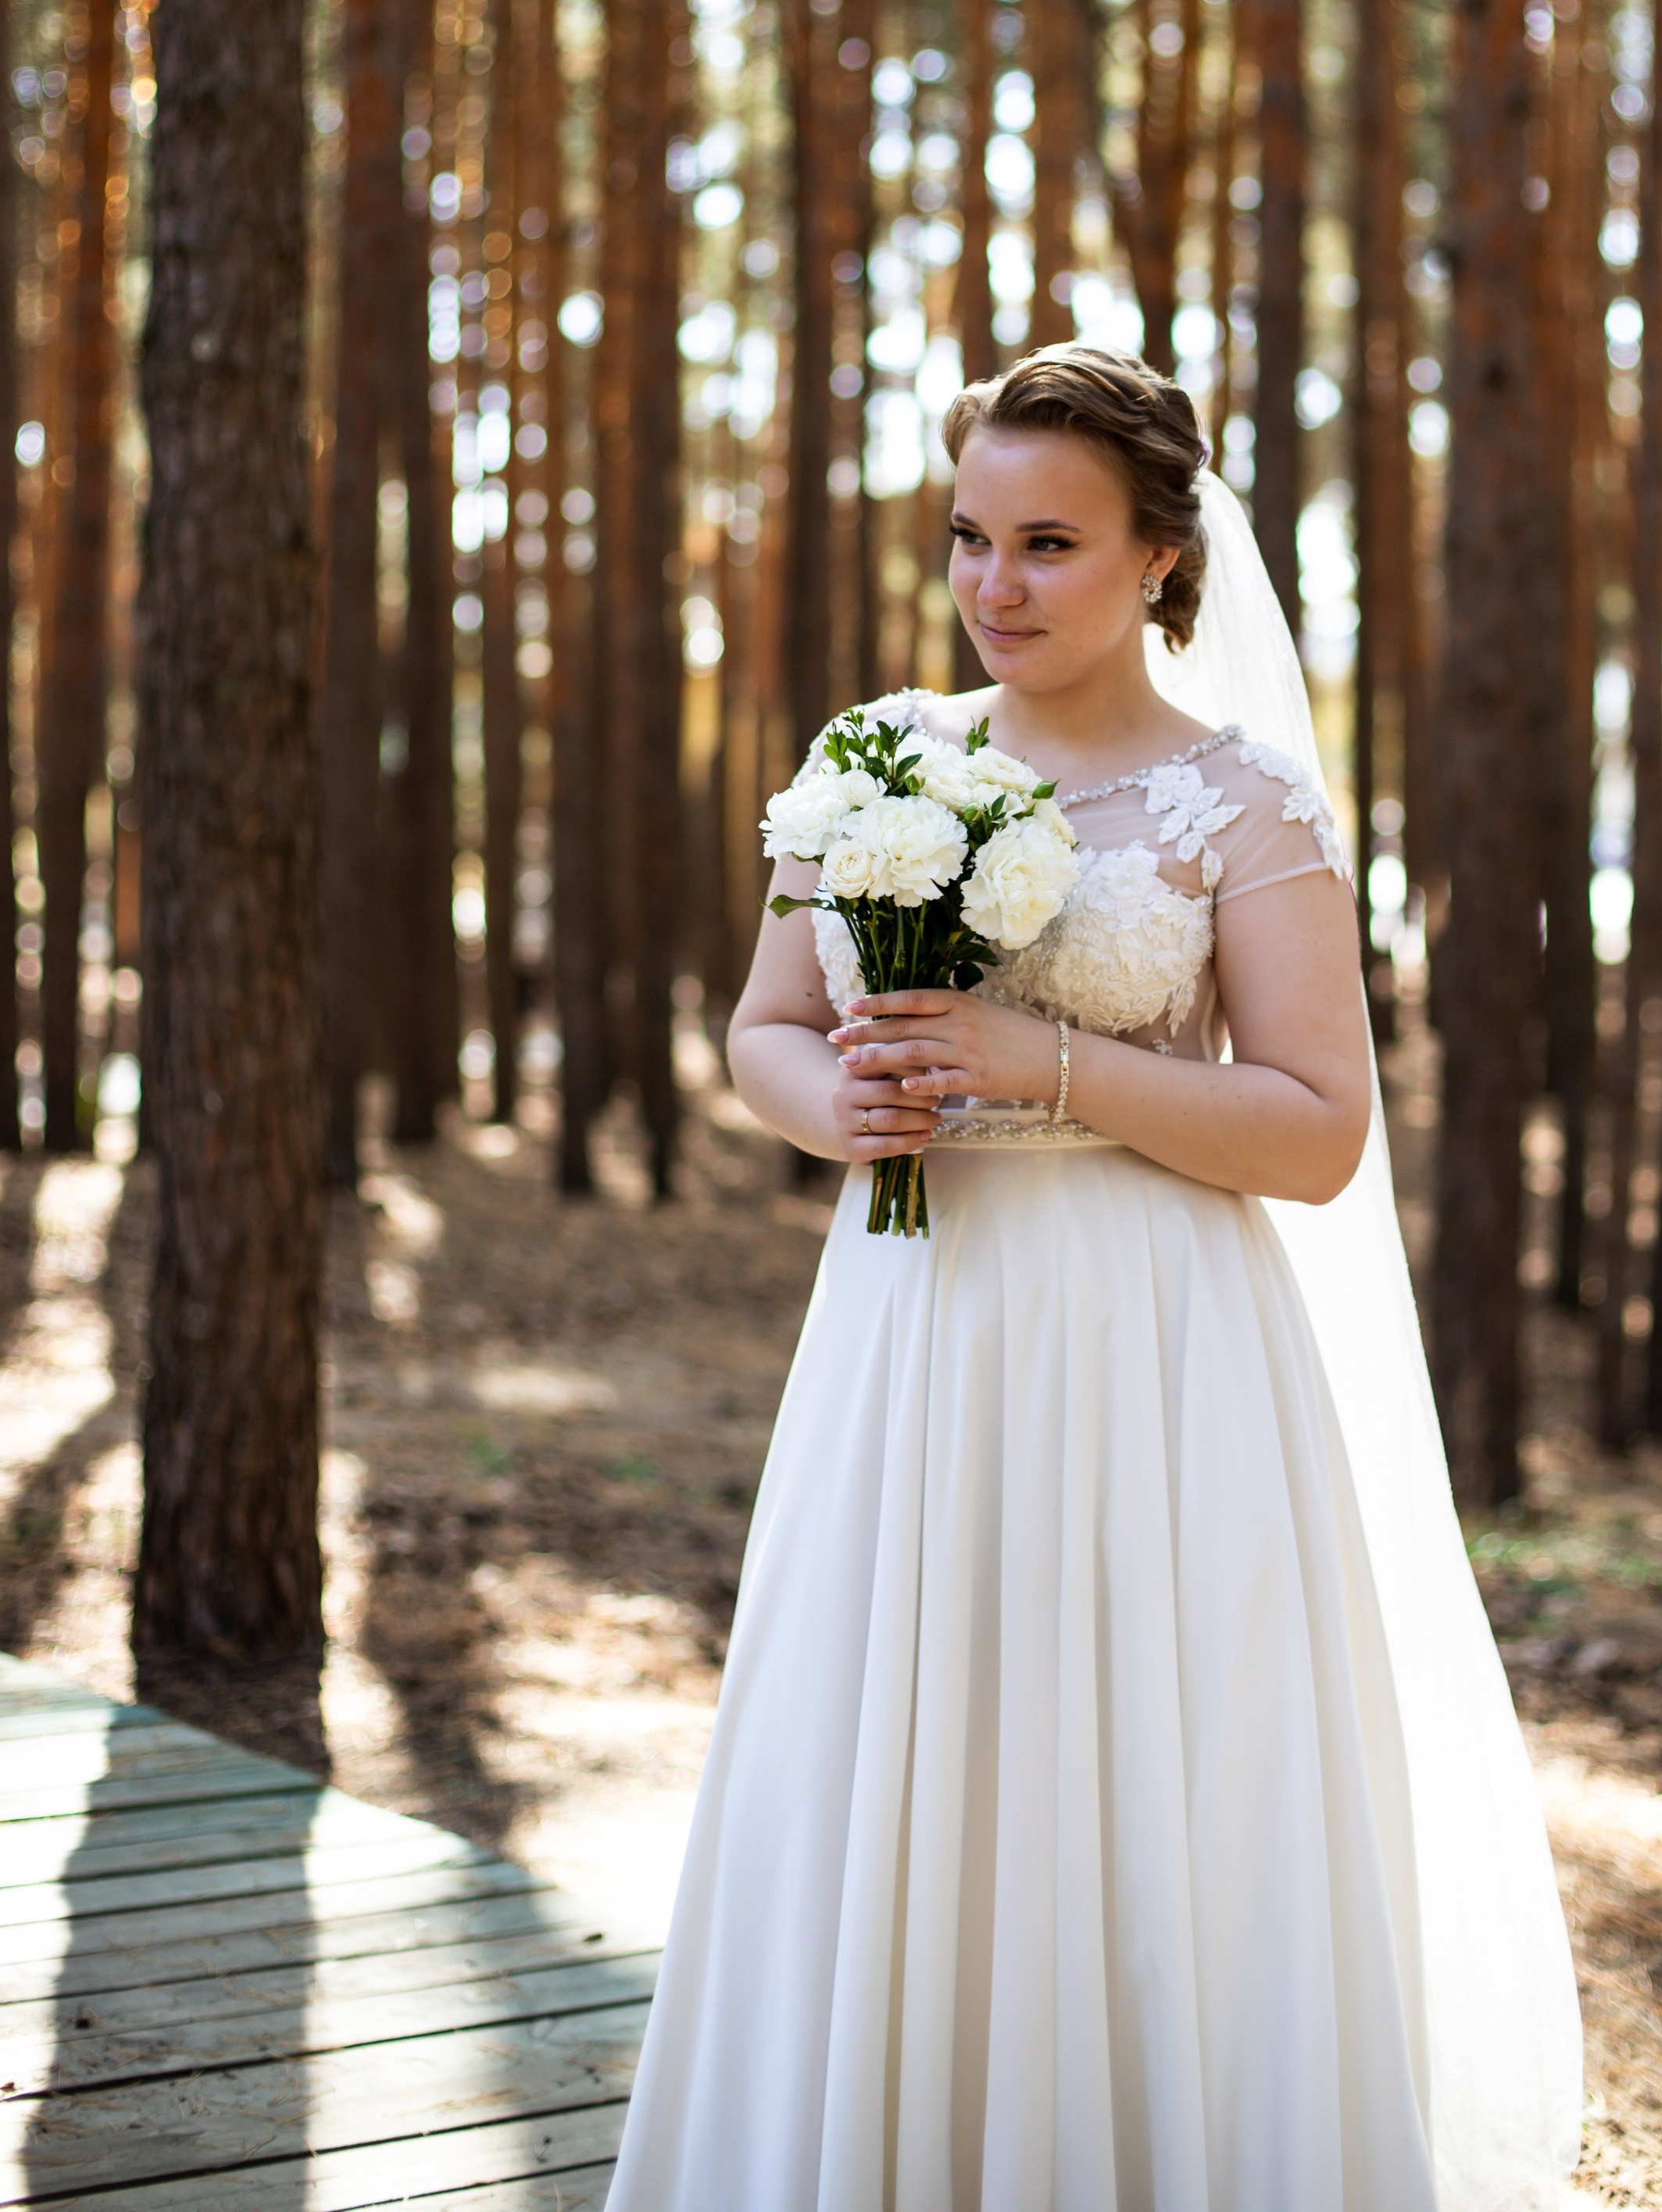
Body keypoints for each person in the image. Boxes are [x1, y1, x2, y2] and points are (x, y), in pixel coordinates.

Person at [606, 345, 1581, 2212]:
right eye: (970, 538)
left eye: (1046, 544)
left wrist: (1036, 1068)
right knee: (916, 1759)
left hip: (1164, 1347)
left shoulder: (1241, 805)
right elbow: (758, 1031)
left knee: (1147, 1782)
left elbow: (1312, 1131)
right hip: (918, 1332)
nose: (992, 587)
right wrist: (850, 1100)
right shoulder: (879, 762)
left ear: (1160, 560)